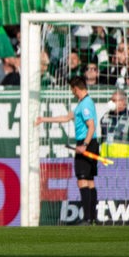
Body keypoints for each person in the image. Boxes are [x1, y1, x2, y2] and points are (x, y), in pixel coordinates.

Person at [36, 76, 99, 225]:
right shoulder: (83, 103)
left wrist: (84, 144)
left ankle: (88, 218)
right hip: (91, 143)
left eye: (72, 90)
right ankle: (92, 218)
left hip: (86, 143)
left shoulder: (84, 105)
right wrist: (44, 120)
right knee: (89, 181)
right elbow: (65, 117)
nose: (73, 93)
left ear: (76, 89)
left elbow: (91, 126)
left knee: (82, 180)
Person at [99, 90, 129, 158]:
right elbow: (103, 140)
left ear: (123, 102)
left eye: (114, 100)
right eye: (110, 100)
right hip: (107, 162)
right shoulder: (105, 118)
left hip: (126, 164)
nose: (111, 102)